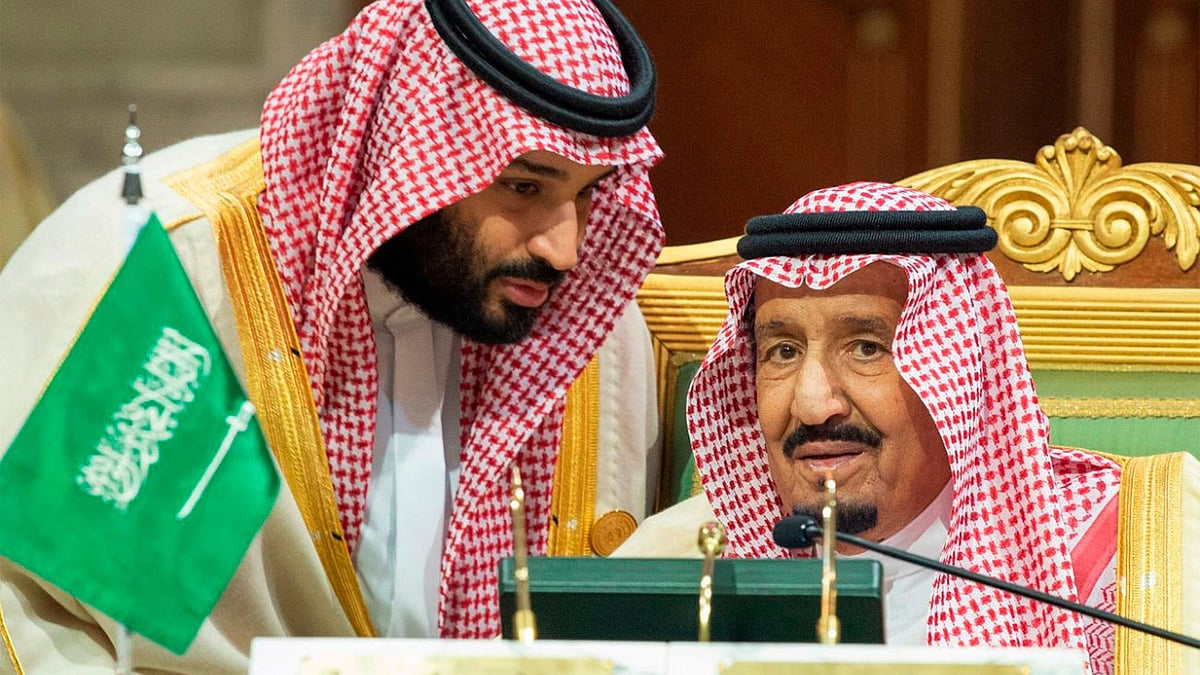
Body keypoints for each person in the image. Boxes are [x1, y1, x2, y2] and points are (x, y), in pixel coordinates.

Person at [0, 0, 664, 671]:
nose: (566, 249)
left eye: (588, 193)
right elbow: (36, 602)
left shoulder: (586, 324)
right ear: (409, 150)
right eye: (523, 185)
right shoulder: (177, 281)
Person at [616, 182, 1200, 674]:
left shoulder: (1144, 553)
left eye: (867, 348)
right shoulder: (679, 562)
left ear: (956, 370)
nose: (814, 405)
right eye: (784, 351)